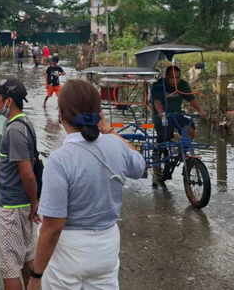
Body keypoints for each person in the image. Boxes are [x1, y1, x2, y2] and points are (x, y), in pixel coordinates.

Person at [27, 79, 146, 290]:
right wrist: (109, 131)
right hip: (107, 247)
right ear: (99, 114)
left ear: (61, 115)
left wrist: (36, 275)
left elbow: (53, 227)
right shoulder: (115, 146)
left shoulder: (60, 160)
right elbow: (140, 166)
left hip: (69, 252)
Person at [0, 78, 40, 290]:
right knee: (26, 258)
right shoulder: (25, 122)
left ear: (9, 101)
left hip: (12, 208)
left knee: (9, 266)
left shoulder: (14, 131)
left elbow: (27, 174)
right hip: (21, 205)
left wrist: (34, 202)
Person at [150, 65, 207, 182]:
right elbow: (156, 102)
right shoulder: (158, 85)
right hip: (162, 116)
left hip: (178, 115)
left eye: (178, 77)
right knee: (163, 138)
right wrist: (161, 113)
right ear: (166, 77)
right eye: (172, 78)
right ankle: (156, 160)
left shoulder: (183, 85)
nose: (175, 80)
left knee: (189, 129)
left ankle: (185, 155)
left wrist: (200, 110)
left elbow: (192, 99)